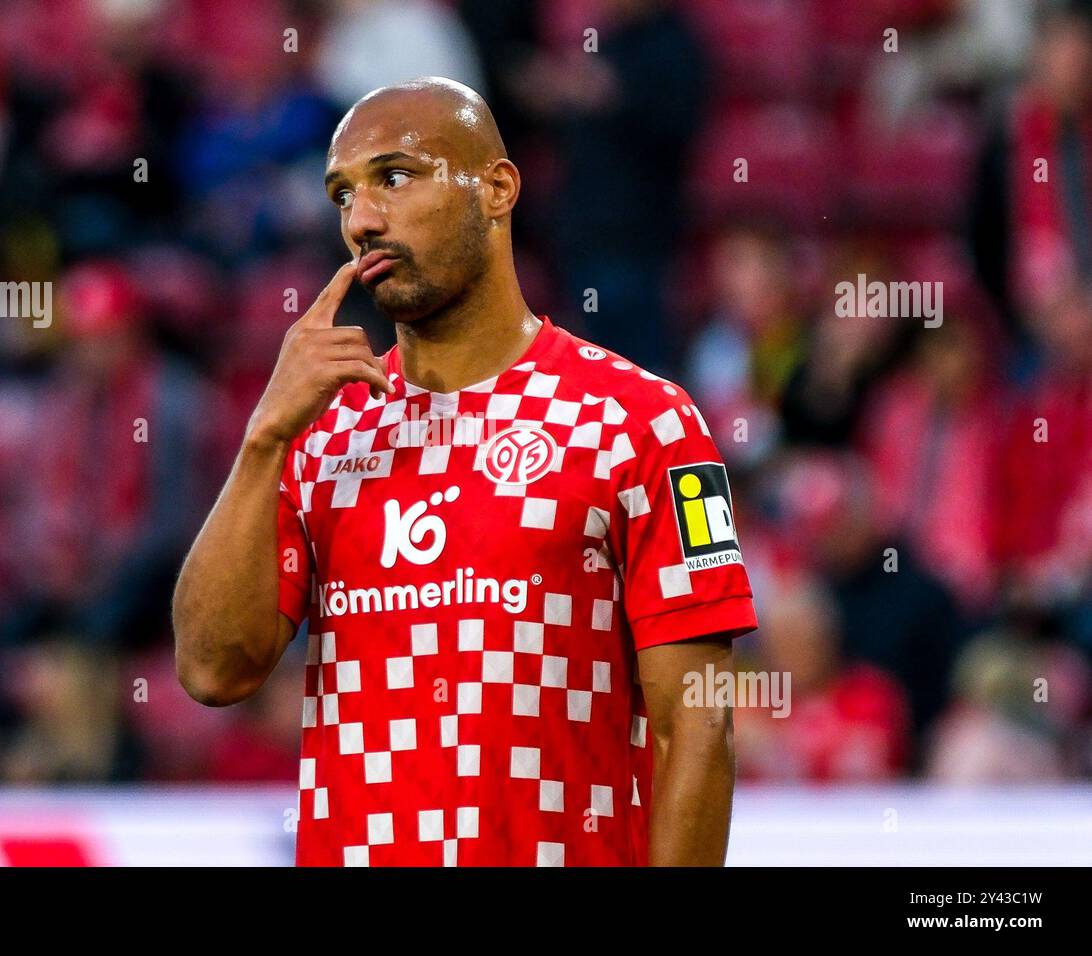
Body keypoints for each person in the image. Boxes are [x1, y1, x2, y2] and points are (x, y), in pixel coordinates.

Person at [173, 77, 757, 866]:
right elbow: (212, 670)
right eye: (341, 194)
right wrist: (263, 440)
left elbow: (698, 721)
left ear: (497, 188)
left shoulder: (643, 421)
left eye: (395, 177)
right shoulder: (320, 435)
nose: (362, 220)